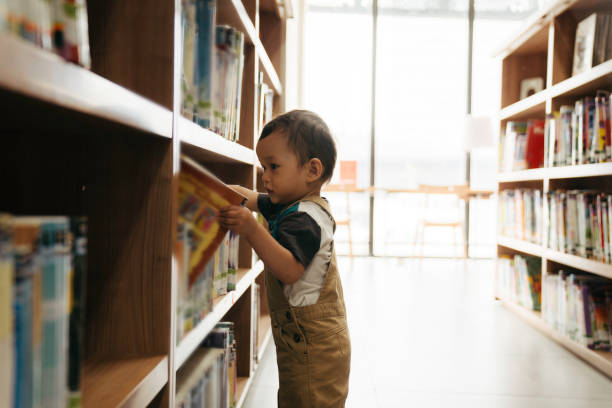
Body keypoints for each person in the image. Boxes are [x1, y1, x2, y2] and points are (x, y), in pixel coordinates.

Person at [219, 110, 351, 408]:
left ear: (312, 170)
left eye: (274, 167)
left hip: (315, 347)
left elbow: (289, 269)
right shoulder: (289, 204)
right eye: (264, 166)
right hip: (301, 341)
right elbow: (247, 196)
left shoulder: (306, 217)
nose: (265, 176)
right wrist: (216, 190)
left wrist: (252, 229)